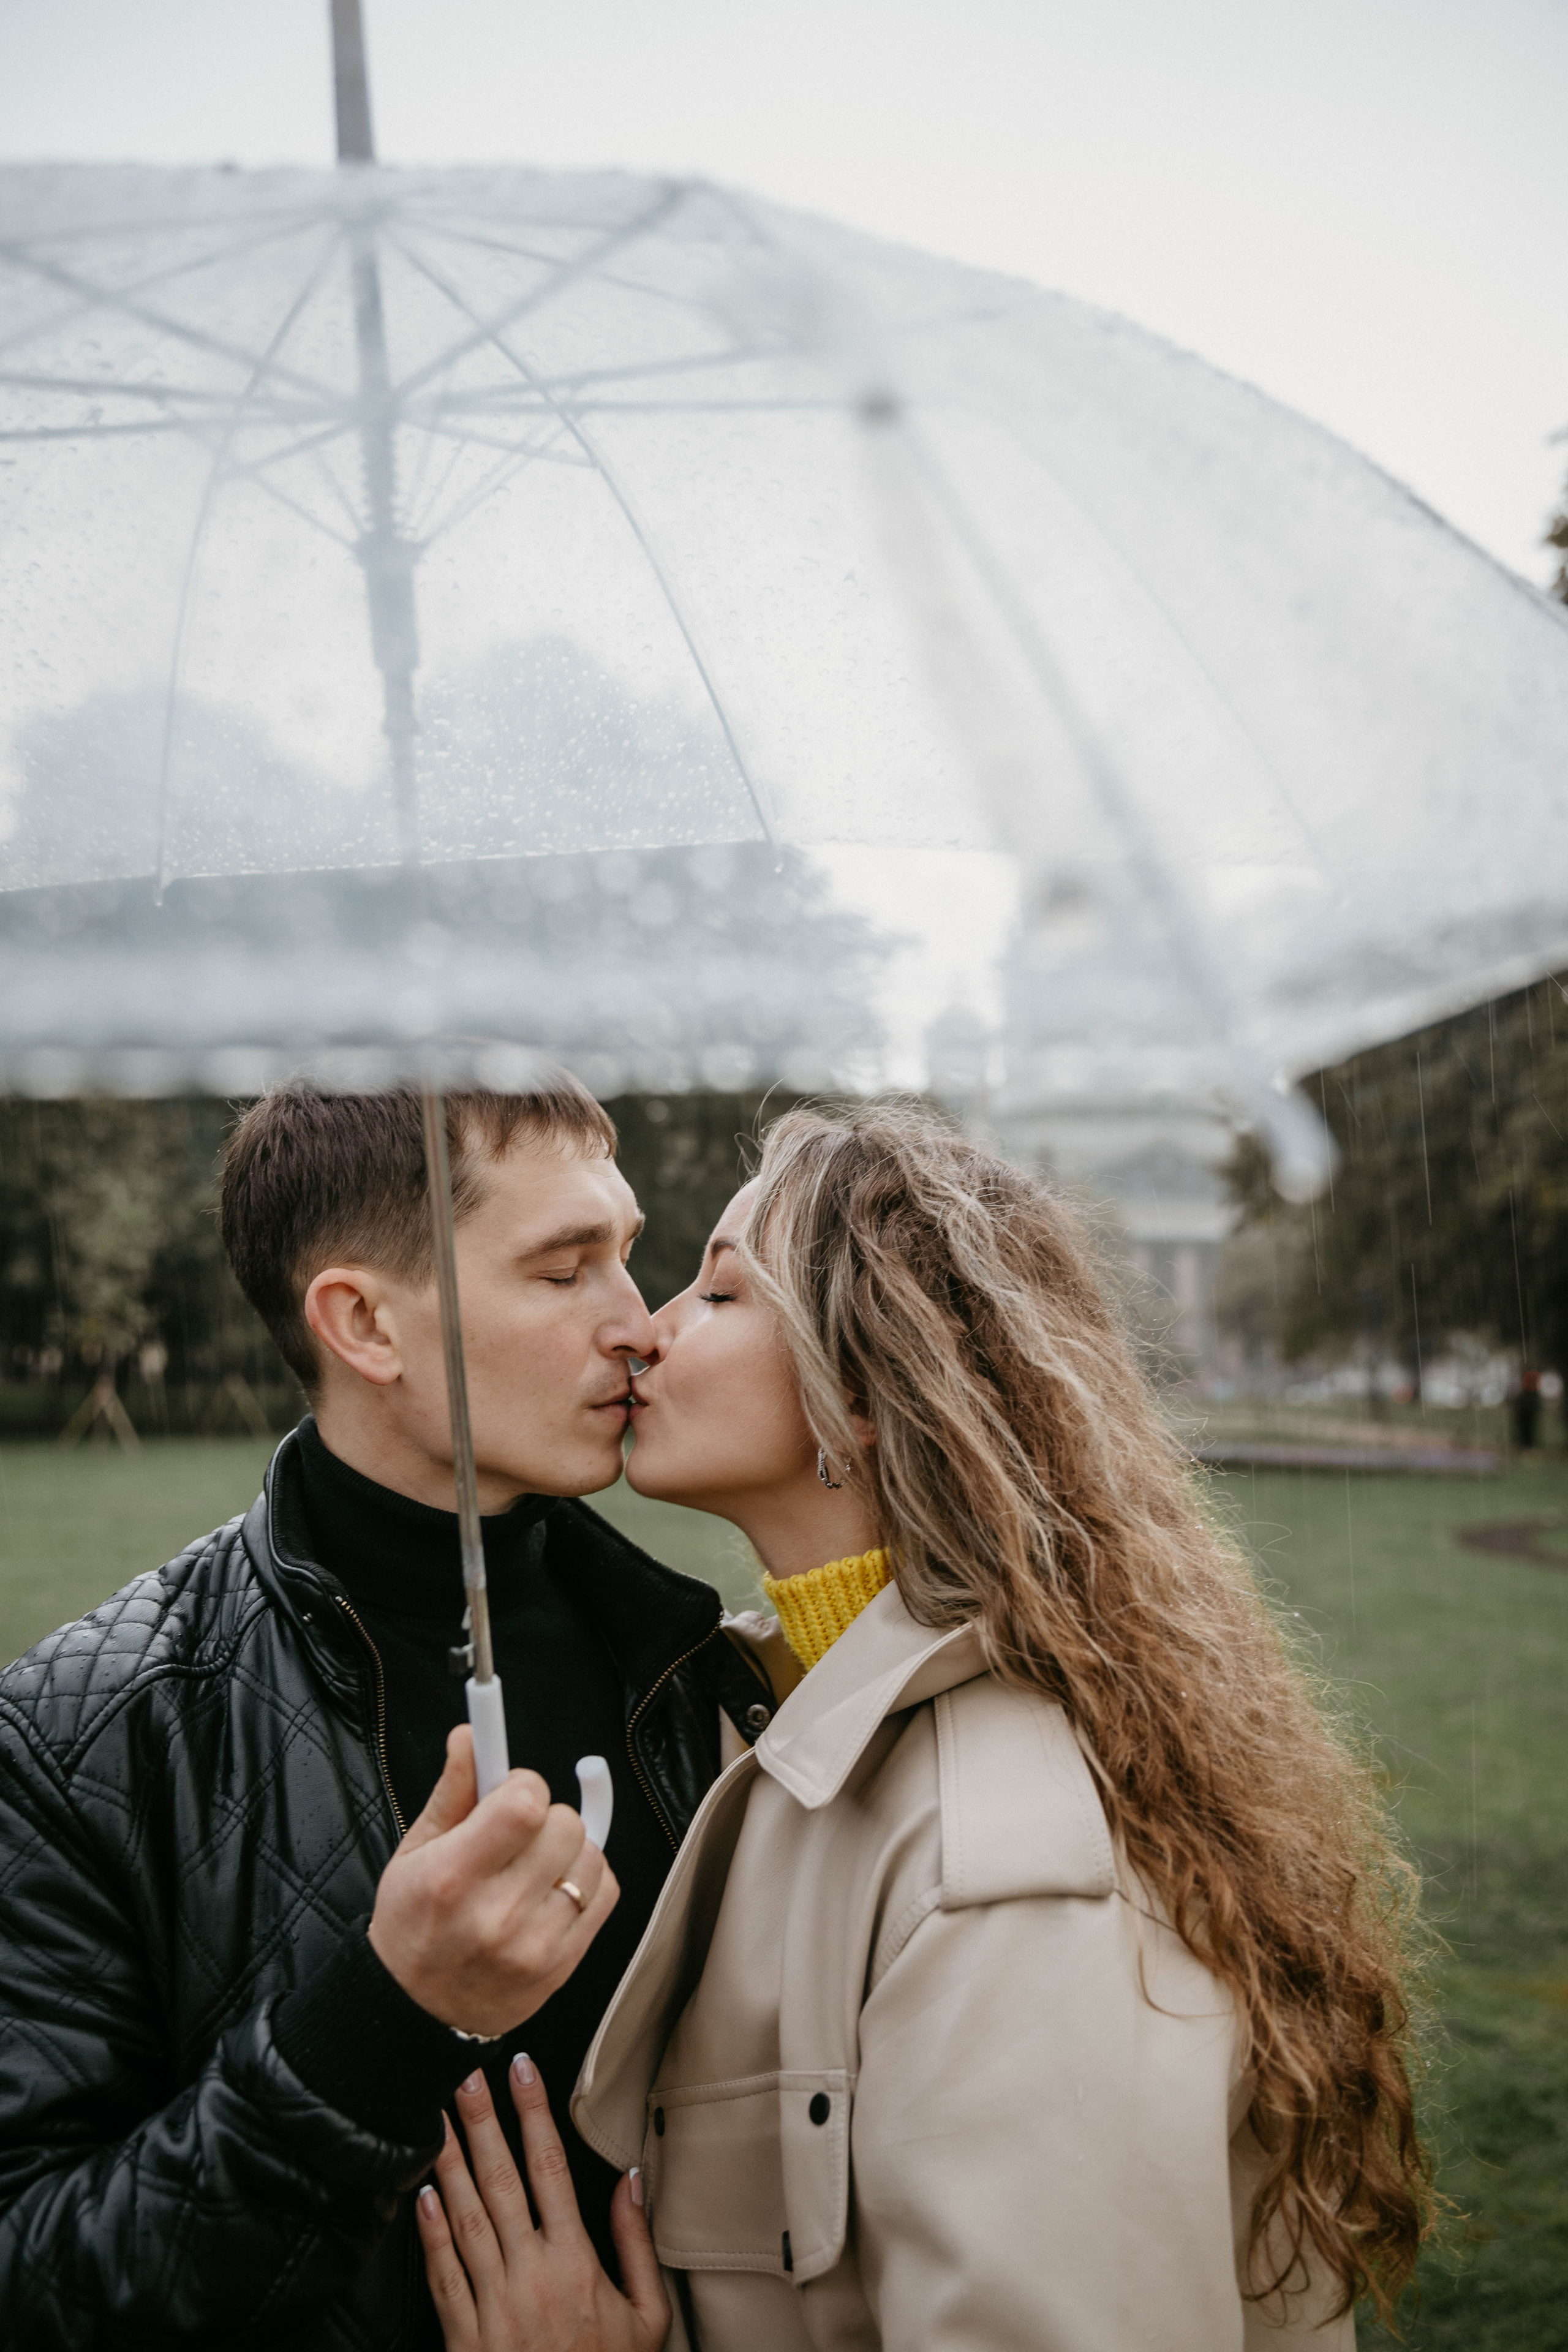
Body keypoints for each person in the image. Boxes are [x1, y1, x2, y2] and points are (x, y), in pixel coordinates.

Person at [422, 1101, 1429, 2350]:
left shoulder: (1000, 1873)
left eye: (719, 1296)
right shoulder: (768, 1722)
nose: (644, 1328)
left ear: (857, 1393)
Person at [0, 1074, 775, 2350]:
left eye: (626, 1255)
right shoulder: (83, 1732)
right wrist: (378, 2018)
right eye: (562, 1269)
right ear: (364, 1322)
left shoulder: (703, 1672)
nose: (638, 1325)